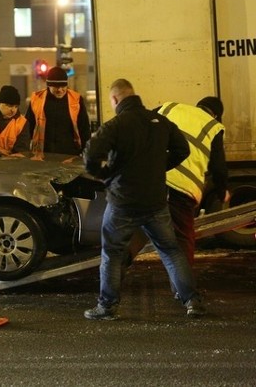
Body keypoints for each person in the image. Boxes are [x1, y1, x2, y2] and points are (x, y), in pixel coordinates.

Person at [82, 78, 205, 320]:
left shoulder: (116, 125)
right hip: (155, 203)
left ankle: (107, 307)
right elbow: (183, 150)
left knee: (113, 253)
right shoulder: (159, 122)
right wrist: (160, 168)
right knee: (171, 250)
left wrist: (106, 176)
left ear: (115, 99)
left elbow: (90, 156)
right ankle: (192, 301)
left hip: (122, 202)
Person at [156, 97, 230, 266]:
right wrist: (222, 191)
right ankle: (184, 290)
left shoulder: (171, 106)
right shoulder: (213, 126)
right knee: (183, 239)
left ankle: (111, 285)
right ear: (216, 115)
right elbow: (218, 166)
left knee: (135, 234)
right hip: (182, 191)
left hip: (152, 182)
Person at [25, 66, 91, 158]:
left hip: (69, 155)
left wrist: (85, 152)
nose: (60, 90)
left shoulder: (76, 100)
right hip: (43, 155)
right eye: (56, 86)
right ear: (49, 85)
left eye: (63, 86)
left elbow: (84, 129)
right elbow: (27, 128)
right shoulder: (37, 100)